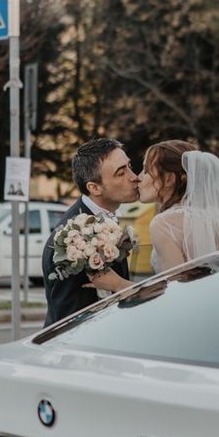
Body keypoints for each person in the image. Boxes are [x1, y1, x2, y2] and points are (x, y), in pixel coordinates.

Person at [89, 139, 219, 291]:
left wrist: (118, 285)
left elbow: (176, 294)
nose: (138, 177)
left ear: (169, 179)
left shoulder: (163, 224)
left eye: (146, 170)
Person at [42, 138, 139, 327]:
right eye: (121, 173)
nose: (134, 176)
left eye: (129, 166)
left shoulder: (108, 218)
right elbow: (67, 319)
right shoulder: (71, 239)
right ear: (94, 188)